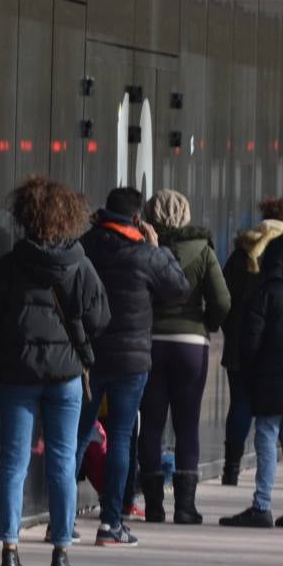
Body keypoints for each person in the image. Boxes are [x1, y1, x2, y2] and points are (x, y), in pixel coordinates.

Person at [0, 176, 110, 566]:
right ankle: (61, 553)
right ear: (69, 219)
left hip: (17, 372)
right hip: (66, 374)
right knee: (62, 460)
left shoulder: (9, 264)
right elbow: (101, 316)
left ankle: (10, 549)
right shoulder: (80, 265)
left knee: (13, 462)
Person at [76, 187, 189, 545]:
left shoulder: (86, 245)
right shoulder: (145, 254)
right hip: (131, 360)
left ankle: (59, 521)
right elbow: (178, 289)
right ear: (138, 219)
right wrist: (158, 249)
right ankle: (111, 524)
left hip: (90, 356)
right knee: (121, 438)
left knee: (77, 436)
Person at [220, 232, 283, 528]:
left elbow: (251, 338)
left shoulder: (265, 292)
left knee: (266, 434)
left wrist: (253, 364)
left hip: (270, 373)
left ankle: (262, 505)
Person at [138, 189, 230, 525]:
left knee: (150, 423)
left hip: (149, 340)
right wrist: (206, 325)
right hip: (191, 343)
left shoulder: (145, 248)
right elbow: (222, 301)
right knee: (187, 423)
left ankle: (153, 506)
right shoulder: (203, 250)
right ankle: (185, 507)